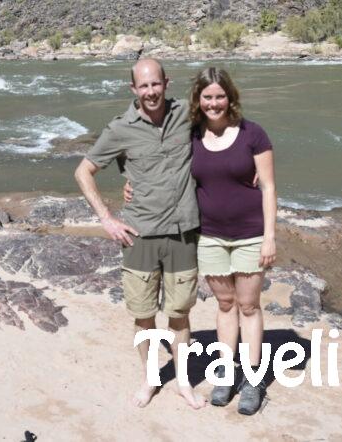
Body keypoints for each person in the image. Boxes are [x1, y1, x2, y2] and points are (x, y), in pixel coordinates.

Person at [73, 58, 205, 409]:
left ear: (166, 82)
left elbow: (225, 127)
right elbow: (84, 172)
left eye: (155, 84)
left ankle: (183, 383)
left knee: (179, 315)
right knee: (144, 316)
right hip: (140, 235)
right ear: (134, 89)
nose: (150, 91)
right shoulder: (119, 129)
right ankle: (149, 379)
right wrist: (107, 218)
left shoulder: (188, 114)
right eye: (143, 86)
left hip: (183, 231)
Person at [189, 66, 276, 415]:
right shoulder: (191, 135)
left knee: (249, 305)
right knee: (225, 304)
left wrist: (270, 237)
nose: (214, 103)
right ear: (199, 100)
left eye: (219, 96)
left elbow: (268, 186)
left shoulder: (253, 134)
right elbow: (161, 164)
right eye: (207, 97)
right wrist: (131, 183)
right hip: (208, 236)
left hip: (250, 235)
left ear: (230, 97)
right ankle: (226, 374)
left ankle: (253, 380)